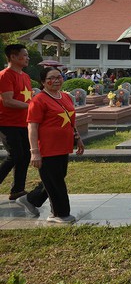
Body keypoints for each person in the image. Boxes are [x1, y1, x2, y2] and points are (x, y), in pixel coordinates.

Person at [16, 67, 85, 223]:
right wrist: (34, 151)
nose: (56, 81)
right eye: (51, 78)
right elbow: (32, 127)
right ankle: (59, 213)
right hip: (47, 148)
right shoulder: (38, 100)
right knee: (56, 182)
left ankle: (30, 200)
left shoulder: (66, 97)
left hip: (64, 145)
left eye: (59, 77)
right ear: (43, 82)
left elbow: (70, 121)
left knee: (56, 178)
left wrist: (77, 138)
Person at [0, 44, 33, 201]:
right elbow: (7, 101)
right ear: (13, 57)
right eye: (24, 55)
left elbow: (28, 99)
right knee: (15, 155)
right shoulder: (5, 75)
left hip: (24, 122)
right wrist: (32, 106)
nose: (27, 58)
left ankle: (18, 190)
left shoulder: (25, 76)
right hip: (7, 123)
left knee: (25, 155)